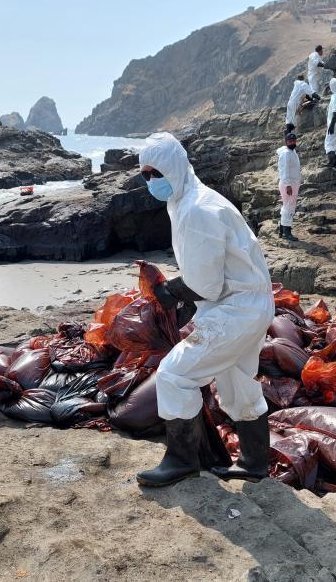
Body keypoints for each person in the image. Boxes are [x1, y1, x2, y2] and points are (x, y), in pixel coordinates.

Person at [135, 132, 275, 487]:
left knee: (174, 374)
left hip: (236, 310)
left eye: (157, 172)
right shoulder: (188, 199)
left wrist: (168, 293)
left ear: (175, 167)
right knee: (236, 382)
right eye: (145, 174)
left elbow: (205, 284)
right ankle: (255, 463)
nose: (152, 181)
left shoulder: (198, 209)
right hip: (246, 304)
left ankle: (183, 460)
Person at [276, 133, 301, 241]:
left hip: (293, 183)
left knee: (287, 206)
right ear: (286, 142)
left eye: (294, 140)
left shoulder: (292, 151)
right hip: (289, 184)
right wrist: (287, 185)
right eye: (290, 141)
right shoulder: (286, 153)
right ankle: (287, 232)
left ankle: (282, 230)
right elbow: (283, 170)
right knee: (289, 207)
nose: (292, 142)